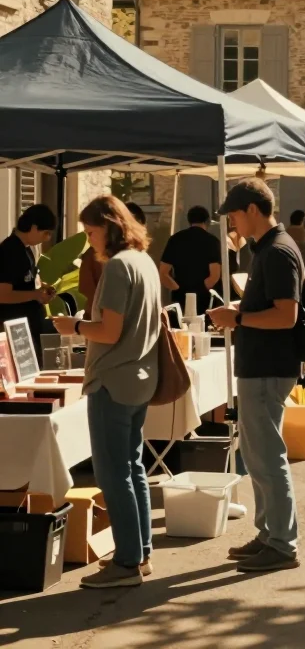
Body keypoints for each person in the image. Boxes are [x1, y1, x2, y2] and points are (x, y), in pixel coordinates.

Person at [52, 196, 160, 589]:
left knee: (113, 474)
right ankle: (139, 553)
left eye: (91, 231)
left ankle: (128, 562)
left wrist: (75, 326)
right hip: (139, 378)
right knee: (131, 468)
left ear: (110, 227)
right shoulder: (143, 261)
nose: (89, 240)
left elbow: (109, 332)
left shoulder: (117, 266)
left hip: (112, 380)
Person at [207, 178, 304, 573]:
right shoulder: (268, 248)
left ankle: (281, 543)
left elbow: (286, 315)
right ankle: (269, 535)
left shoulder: (277, 250)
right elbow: (274, 308)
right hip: (261, 367)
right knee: (257, 456)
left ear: (251, 210)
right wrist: (240, 312)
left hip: (268, 368)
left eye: (233, 215)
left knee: (266, 458)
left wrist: (238, 318)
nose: (231, 223)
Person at [0, 204, 57, 359]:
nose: (47, 238)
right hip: (16, 330)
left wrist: (43, 288)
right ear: (34, 227)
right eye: (46, 233)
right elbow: (3, 295)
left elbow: (27, 280)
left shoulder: (26, 249)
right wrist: (35, 295)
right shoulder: (10, 251)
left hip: (30, 326)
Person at [159, 206, 222, 315]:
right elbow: (214, 276)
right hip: (204, 299)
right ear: (207, 221)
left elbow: (163, 273)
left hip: (180, 298)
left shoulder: (175, 239)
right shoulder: (212, 241)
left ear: (189, 220)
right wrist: (200, 289)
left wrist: (178, 289)